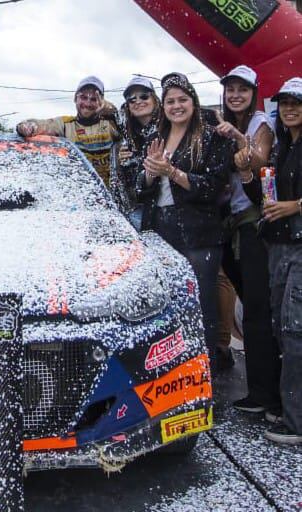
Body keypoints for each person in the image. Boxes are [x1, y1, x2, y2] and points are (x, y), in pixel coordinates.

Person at [137, 72, 231, 371]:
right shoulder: (156, 137)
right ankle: (174, 376)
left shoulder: (211, 135)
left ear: (194, 102)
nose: (176, 106)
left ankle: (205, 374)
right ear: (163, 106)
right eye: (170, 101)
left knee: (200, 305)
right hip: (159, 228)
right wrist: (151, 173)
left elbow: (213, 186)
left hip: (198, 231)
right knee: (167, 306)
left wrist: (172, 172)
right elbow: (141, 188)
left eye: (182, 100)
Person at [215, 65, 280, 413]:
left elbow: (260, 161)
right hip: (232, 225)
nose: (235, 95)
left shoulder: (259, 125)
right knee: (250, 305)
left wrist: (239, 140)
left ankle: (265, 395)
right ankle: (261, 391)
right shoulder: (227, 124)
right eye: (230, 89)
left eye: (242, 89)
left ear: (254, 93)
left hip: (255, 226)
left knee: (257, 311)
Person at [243, 77, 302, 445]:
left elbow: (288, 203)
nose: (290, 108)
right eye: (284, 102)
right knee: (282, 328)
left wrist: (296, 206)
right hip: (278, 246)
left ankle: (297, 422)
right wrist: (248, 172)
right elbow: (263, 195)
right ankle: (286, 407)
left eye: (297, 102)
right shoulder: (281, 148)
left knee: (296, 331)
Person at [16, 75, 120, 185]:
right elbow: (43, 125)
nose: (88, 103)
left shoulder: (110, 123)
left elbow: (125, 124)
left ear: (101, 102)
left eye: (94, 99)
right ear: (75, 98)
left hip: (110, 194)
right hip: (81, 192)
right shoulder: (65, 124)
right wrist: (27, 127)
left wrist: (110, 110)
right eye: (83, 97)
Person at [113, 76, 160, 228]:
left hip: (166, 209)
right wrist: (123, 164)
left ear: (155, 99)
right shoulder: (127, 137)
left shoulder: (168, 127)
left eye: (144, 96)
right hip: (141, 212)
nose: (138, 101)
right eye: (132, 99)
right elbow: (128, 184)